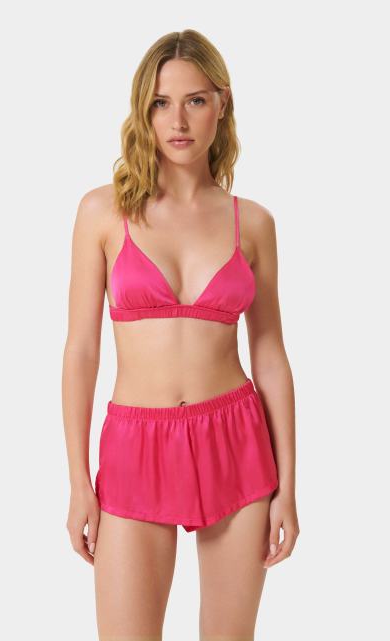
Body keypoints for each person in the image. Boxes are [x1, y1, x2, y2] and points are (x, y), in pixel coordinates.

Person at [62, 29, 300, 641]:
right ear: (143, 111)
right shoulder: (103, 212)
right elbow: (82, 352)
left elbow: (270, 355)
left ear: (222, 103)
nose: (178, 121)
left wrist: (289, 489)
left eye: (195, 100)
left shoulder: (254, 223)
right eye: (161, 103)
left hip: (235, 440)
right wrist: (79, 482)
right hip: (134, 444)